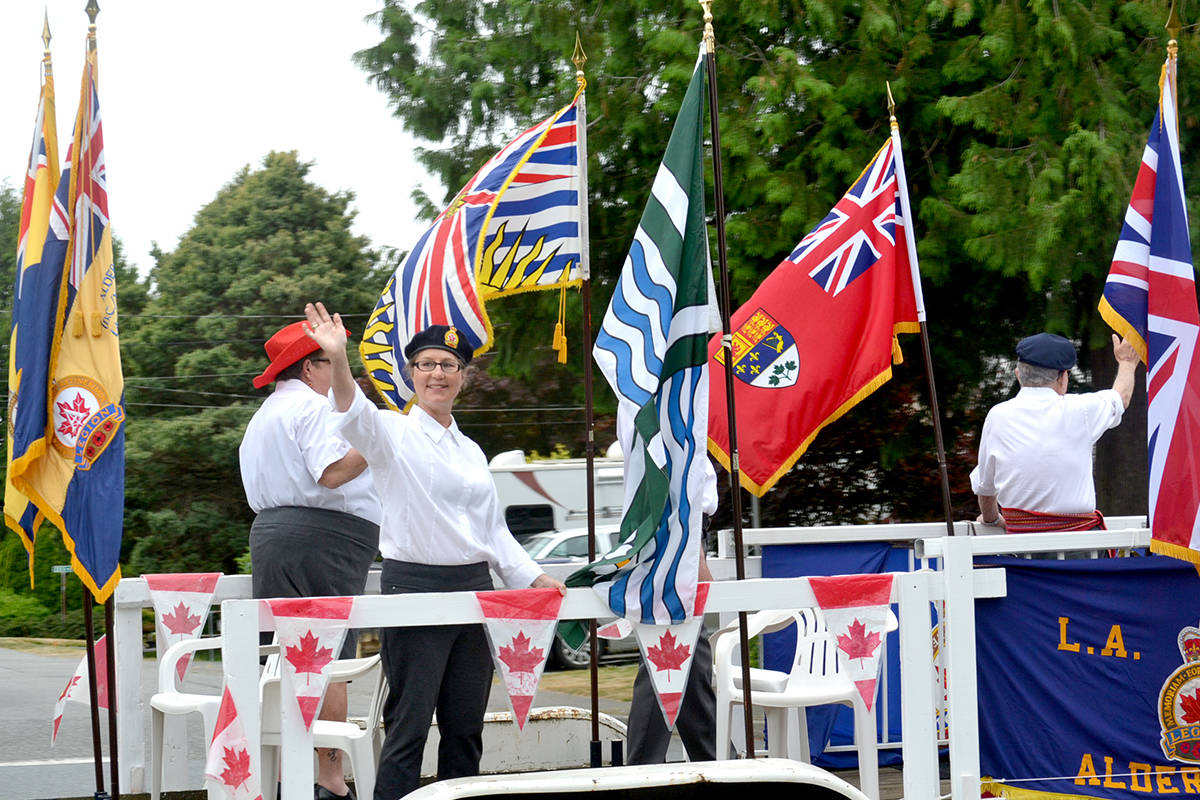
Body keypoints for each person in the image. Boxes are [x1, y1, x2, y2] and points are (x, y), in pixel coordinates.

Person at [301, 302, 567, 800]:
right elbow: (352, 413)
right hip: (416, 588)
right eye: (427, 364)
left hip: (473, 591)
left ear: (463, 377)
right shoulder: (393, 433)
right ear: (411, 374)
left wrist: (534, 579)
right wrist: (338, 358)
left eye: (448, 365)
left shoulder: (471, 451)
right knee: (409, 726)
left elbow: (493, 534)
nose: (437, 374)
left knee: (465, 726)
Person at [240, 320, 382, 800]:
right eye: (331, 361)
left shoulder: (263, 416)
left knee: (284, 655)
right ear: (310, 365)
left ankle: (284, 773)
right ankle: (329, 775)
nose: (339, 373)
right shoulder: (312, 407)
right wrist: (375, 440)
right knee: (328, 656)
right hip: (328, 535)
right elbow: (333, 473)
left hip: (272, 533)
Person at [970, 332, 1140, 533]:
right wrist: (1127, 363)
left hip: (1021, 553)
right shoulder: (1080, 410)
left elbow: (986, 486)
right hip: (1079, 552)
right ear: (1062, 377)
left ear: (1018, 375)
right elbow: (1122, 398)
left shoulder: (997, 416)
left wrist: (991, 521)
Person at [625, 457, 718, 764]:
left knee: (683, 661)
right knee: (670, 655)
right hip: (679, 528)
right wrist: (694, 548)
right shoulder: (670, 408)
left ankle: (716, 761)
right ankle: (645, 769)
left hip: (681, 527)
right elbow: (673, 473)